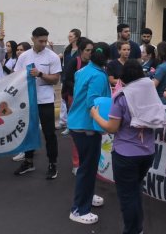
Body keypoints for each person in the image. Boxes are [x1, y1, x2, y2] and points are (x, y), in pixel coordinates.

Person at [91, 60, 164, 234]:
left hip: (125, 155)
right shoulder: (149, 92)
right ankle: (137, 228)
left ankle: (132, 230)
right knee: (135, 191)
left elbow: (111, 127)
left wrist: (95, 115)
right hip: (147, 152)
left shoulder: (122, 97)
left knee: (127, 196)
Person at [66, 42, 111, 224]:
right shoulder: (98, 76)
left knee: (89, 166)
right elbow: (92, 102)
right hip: (87, 127)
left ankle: (88, 196)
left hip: (79, 123)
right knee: (87, 168)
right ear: (108, 58)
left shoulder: (84, 70)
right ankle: (78, 210)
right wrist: (105, 123)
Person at [13, 27, 62, 180]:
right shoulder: (24, 56)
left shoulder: (52, 56)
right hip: (28, 99)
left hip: (45, 100)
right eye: (40, 41)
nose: (43, 44)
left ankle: (52, 164)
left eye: (45, 41)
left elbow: (55, 79)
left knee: (49, 133)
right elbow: (16, 76)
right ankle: (28, 161)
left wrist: (40, 74)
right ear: (32, 39)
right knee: (28, 131)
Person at [62, 38, 94, 175]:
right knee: (77, 131)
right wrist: (78, 88)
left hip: (88, 102)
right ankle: (76, 163)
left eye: (92, 51)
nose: (90, 53)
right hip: (75, 100)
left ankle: (88, 161)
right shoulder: (74, 62)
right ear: (81, 51)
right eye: (87, 50)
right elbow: (66, 79)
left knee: (90, 132)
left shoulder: (94, 64)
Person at [59, 29, 82, 131]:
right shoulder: (66, 49)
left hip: (76, 79)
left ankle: (74, 124)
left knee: (76, 102)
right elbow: (64, 64)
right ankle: (67, 123)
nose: (69, 38)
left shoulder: (81, 50)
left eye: (71, 36)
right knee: (66, 101)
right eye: (68, 36)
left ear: (77, 37)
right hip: (66, 78)